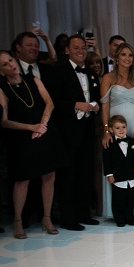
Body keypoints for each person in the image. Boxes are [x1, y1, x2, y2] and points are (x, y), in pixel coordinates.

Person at [0, 52, 62, 238]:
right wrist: (31, 127)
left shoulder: (33, 79)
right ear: (0, 71)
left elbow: (49, 102)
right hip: (22, 138)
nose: (11, 65)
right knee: (22, 179)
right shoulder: (1, 90)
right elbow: (4, 121)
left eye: (11, 60)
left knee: (49, 175)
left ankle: (46, 217)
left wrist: (43, 124)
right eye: (5, 64)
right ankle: (18, 221)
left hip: (45, 132)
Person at [49, 35, 101, 231]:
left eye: (83, 48)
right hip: (68, 131)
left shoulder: (91, 74)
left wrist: (94, 106)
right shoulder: (58, 72)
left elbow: (95, 98)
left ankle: (83, 213)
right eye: (76, 48)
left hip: (87, 130)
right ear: (67, 50)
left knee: (85, 172)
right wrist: (74, 105)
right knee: (68, 174)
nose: (80, 51)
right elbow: (54, 102)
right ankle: (67, 217)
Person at [100, 43, 134, 221]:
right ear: (117, 57)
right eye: (124, 55)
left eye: (130, 55)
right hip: (115, 124)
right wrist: (106, 130)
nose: (127, 58)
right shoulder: (108, 78)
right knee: (116, 161)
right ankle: (115, 211)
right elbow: (105, 106)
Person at [102, 115, 134, 227]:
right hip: (118, 178)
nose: (121, 130)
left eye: (123, 127)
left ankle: (129, 217)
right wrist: (109, 174)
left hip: (130, 178)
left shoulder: (131, 141)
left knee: (131, 200)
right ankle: (119, 219)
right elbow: (107, 161)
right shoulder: (109, 143)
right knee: (119, 200)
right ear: (111, 129)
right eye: (117, 128)